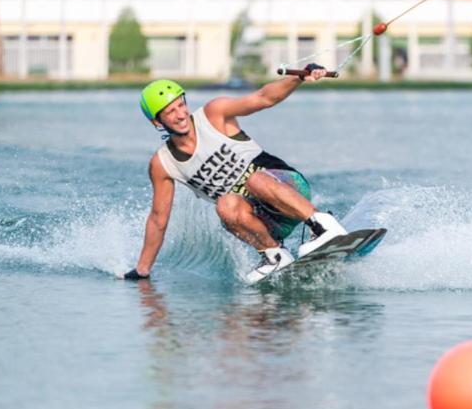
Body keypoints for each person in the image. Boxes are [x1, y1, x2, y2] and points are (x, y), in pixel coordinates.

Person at [122, 67, 347, 283]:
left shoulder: (213, 114)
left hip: (289, 189)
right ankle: (275, 255)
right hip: (263, 219)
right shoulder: (162, 164)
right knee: (225, 206)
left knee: (254, 180)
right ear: (156, 121)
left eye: (181, 105)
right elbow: (158, 219)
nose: (180, 115)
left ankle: (323, 224)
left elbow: (263, 98)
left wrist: (298, 77)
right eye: (171, 112)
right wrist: (143, 269)